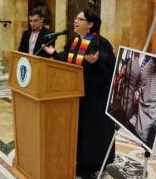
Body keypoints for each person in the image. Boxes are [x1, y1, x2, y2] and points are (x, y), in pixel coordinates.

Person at [43, 9, 115, 178]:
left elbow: (110, 67)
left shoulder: (100, 42)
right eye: (75, 18)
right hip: (76, 95)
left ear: (90, 24)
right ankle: (80, 160)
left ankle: (92, 164)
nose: (75, 21)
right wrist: (53, 53)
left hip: (94, 99)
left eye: (80, 19)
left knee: (91, 131)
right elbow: (68, 63)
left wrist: (97, 63)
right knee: (79, 130)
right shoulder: (74, 42)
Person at [135, 57, 156, 146]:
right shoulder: (155, 64)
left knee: (149, 105)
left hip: (153, 67)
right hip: (154, 68)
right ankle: (146, 140)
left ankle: (144, 137)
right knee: (150, 105)